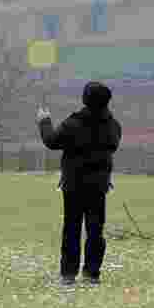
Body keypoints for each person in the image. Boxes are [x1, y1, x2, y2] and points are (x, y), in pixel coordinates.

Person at [38, 81, 123, 286]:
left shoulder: (73, 123)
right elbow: (111, 147)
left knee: (72, 228)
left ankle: (69, 274)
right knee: (96, 229)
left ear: (85, 99)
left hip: (74, 184)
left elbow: (51, 141)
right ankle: (92, 273)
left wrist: (44, 121)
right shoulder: (113, 125)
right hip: (99, 185)